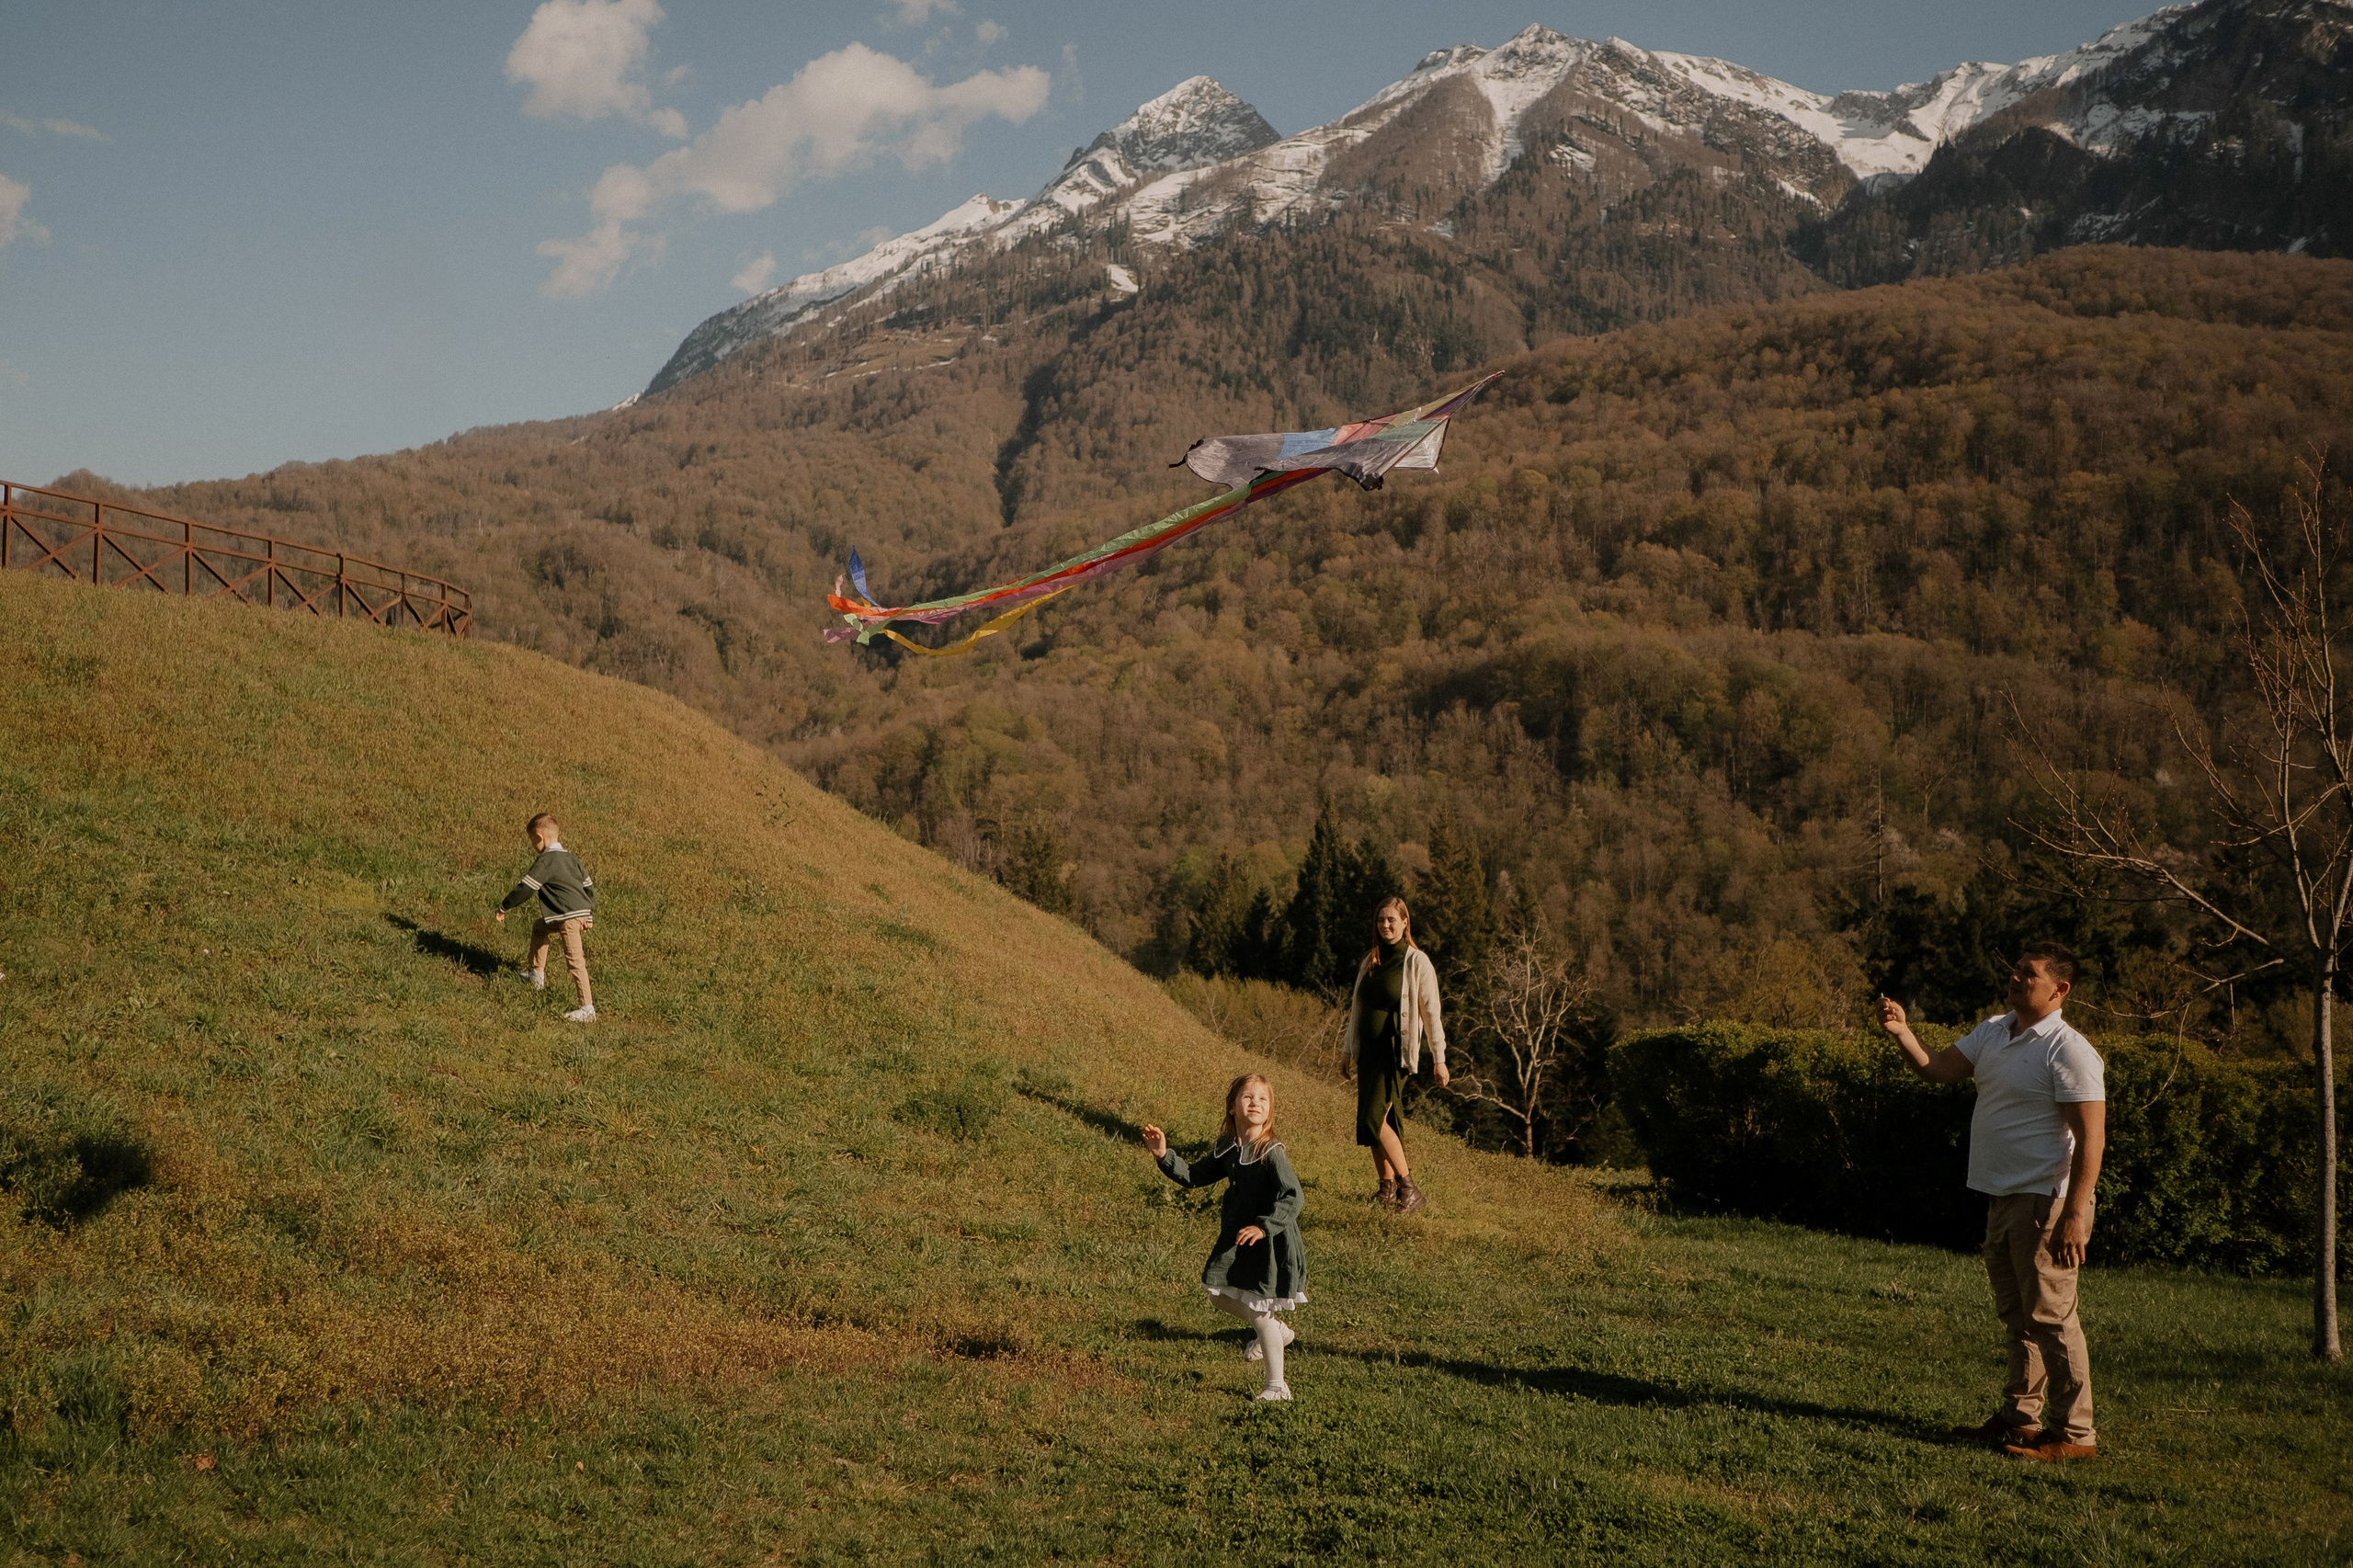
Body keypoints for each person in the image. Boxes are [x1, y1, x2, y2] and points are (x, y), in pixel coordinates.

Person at [1878, 942, 2106, 1461]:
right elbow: (1939, 1070)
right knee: (2018, 1316)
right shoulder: (1994, 1030)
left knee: (2051, 1317)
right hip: (2002, 1197)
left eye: (2030, 973)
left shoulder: (2067, 1049)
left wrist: (2075, 1212)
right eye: (2017, 969)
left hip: (2045, 1201)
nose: (2017, 976)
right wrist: (1903, 1033)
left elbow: (2091, 1138)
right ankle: (2020, 1419)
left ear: (2060, 989)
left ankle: (2074, 1437)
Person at [1141, 1073, 1306, 1403]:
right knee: (1216, 1293)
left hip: (1270, 1242)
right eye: (1247, 1097)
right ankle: (1276, 1331)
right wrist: (1163, 1155)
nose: (1255, 1103)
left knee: (1259, 1313)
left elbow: (1293, 1195)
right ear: (1232, 1106)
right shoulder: (1228, 1148)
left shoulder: (1270, 1151)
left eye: (1262, 1098)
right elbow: (1194, 1176)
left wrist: (1263, 1226)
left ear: (1270, 1109)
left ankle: (1277, 1386)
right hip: (1237, 1238)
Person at [1341, 896, 1449, 1213]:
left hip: (1392, 1054)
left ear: (1405, 923)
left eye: (1392, 920)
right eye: (1381, 920)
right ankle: (1386, 1190)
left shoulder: (1417, 962)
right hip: (1368, 1055)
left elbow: (1432, 1014)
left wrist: (1439, 1059)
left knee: (1374, 1119)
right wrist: (1347, 1051)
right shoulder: (1370, 961)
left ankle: (1409, 1188)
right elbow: (1356, 1010)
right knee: (1376, 1121)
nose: (1385, 925)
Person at [495, 812, 598, 1023]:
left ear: (540, 838)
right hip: (575, 914)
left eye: (532, 840)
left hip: (568, 917)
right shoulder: (572, 859)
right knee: (539, 928)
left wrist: (504, 906)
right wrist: (589, 914)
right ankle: (536, 975)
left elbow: (527, 887)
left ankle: (587, 1009)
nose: (533, 845)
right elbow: (588, 886)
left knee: (575, 960)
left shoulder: (547, 861)